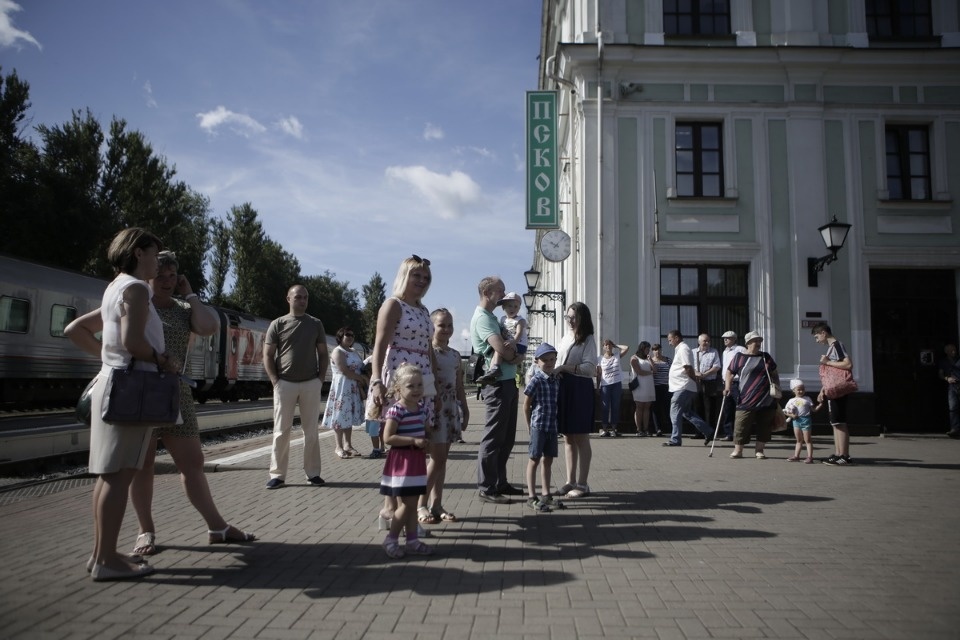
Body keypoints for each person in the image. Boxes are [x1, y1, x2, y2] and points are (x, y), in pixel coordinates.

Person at [67, 250, 256, 558]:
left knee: (193, 463)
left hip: (176, 394)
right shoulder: (136, 302)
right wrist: (111, 358)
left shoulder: (183, 310)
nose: (167, 282)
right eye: (161, 276)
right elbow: (75, 330)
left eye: (172, 276)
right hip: (141, 392)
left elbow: (209, 326)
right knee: (143, 466)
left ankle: (217, 527)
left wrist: (190, 294)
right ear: (149, 276)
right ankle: (146, 531)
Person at [68, 228, 175, 581]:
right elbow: (133, 342)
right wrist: (163, 360)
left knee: (107, 476)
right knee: (120, 475)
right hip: (132, 391)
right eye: (154, 254)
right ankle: (106, 562)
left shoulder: (115, 286)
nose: (158, 262)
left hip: (112, 384)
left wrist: (108, 358)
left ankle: (102, 553)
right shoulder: (136, 289)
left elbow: (89, 334)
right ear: (138, 253)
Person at [367, 255, 438, 531]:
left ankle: (394, 510)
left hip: (422, 381)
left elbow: (428, 350)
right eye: (416, 275)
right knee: (399, 444)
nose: (421, 281)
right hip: (399, 378)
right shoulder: (393, 305)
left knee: (417, 442)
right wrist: (376, 380)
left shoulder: (423, 310)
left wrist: (434, 387)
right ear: (404, 276)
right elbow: (379, 345)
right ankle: (395, 510)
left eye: (426, 278)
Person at [263, 285, 329, 489]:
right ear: (288, 299)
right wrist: (275, 381)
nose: (302, 300)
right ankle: (278, 475)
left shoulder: (315, 324)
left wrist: (319, 379)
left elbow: (323, 353)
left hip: (310, 383)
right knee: (281, 431)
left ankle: (313, 473)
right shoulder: (278, 324)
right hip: (284, 383)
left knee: (311, 431)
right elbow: (268, 355)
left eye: (305, 297)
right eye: (298, 297)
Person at [471, 276, 524, 503]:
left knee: (506, 438)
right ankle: (487, 487)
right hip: (498, 384)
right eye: (500, 290)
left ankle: (500, 482)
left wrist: (515, 357)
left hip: (508, 382)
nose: (504, 294)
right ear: (487, 293)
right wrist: (516, 357)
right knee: (493, 437)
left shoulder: (492, 317)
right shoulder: (483, 318)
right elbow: (500, 348)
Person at [417, 308, 468, 524]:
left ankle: (436, 504)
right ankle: (420, 504)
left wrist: (465, 409)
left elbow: (459, 385)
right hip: (434, 409)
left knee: (442, 460)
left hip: (449, 409)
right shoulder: (426, 352)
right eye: (441, 325)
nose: (446, 329)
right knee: (436, 459)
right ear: (432, 327)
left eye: (449, 325)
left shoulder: (455, 355)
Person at [379, 363, 433, 558]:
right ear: (398, 388)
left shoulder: (422, 409)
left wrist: (427, 439)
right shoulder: (396, 410)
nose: (416, 389)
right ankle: (391, 539)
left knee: (411, 504)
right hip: (402, 461)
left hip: (416, 461)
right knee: (407, 505)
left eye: (419, 385)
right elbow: (388, 438)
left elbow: (426, 430)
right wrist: (413, 441)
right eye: (410, 386)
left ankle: (412, 541)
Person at [556, 302, 598, 498]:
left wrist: (565, 368)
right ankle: (570, 481)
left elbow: (590, 368)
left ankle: (583, 483)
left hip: (580, 388)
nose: (570, 321)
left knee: (581, 437)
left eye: (574, 317)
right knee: (568, 437)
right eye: (568, 317)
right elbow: (558, 361)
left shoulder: (588, 339)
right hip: (565, 388)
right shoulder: (566, 337)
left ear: (583, 318)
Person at [725, 331, 780, 459]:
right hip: (746, 397)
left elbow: (774, 373)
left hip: (766, 398)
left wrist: (778, 388)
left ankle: (759, 450)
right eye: (756, 341)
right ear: (748, 343)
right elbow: (729, 372)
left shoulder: (765, 357)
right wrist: (727, 387)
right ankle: (738, 450)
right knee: (741, 424)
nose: (758, 343)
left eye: (759, 341)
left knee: (764, 425)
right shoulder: (739, 357)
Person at [523, 342, 560, 512]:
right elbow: (526, 405)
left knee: (548, 460)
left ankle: (546, 494)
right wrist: (529, 425)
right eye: (545, 360)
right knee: (534, 459)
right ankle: (532, 496)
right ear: (537, 361)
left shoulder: (556, 380)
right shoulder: (536, 380)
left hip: (552, 426)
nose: (549, 363)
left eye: (552, 359)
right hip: (538, 425)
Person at [321, 326, 367, 459]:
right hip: (342, 388)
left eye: (352, 335)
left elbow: (361, 366)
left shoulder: (354, 351)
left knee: (348, 416)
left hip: (353, 388)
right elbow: (344, 370)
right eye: (347, 334)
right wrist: (361, 378)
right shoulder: (338, 351)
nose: (350, 337)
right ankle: (338, 447)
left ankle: (348, 445)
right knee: (340, 415)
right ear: (340, 336)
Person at [812, 323, 854, 465]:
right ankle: (838, 453)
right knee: (835, 422)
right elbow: (830, 374)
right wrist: (823, 390)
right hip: (833, 390)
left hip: (839, 390)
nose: (817, 340)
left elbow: (848, 364)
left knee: (840, 422)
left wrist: (828, 362)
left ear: (823, 333)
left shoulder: (837, 345)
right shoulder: (832, 347)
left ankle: (844, 456)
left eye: (817, 336)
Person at [662, 330, 713, 447]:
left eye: (670, 340)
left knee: (674, 411)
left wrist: (695, 381)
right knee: (686, 412)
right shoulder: (680, 349)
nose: (669, 343)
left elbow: (688, 368)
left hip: (683, 386)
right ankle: (708, 431)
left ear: (676, 338)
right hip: (682, 386)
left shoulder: (683, 348)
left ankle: (675, 439)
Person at [476, 291, 527, 386]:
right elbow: (503, 331)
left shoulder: (520, 320)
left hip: (519, 344)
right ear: (503, 307)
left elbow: (519, 333)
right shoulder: (503, 319)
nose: (513, 309)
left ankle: (495, 368)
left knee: (499, 349)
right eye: (510, 306)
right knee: (498, 349)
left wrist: (513, 342)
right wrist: (503, 334)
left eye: (516, 307)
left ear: (519, 308)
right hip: (510, 342)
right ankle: (493, 370)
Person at [597, 340, 629, 437]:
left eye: (609, 344)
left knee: (615, 406)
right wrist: (597, 387)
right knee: (605, 407)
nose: (608, 346)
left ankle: (614, 429)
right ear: (603, 347)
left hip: (616, 384)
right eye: (606, 345)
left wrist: (615, 345)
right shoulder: (600, 358)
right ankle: (604, 429)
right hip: (605, 385)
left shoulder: (616, 356)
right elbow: (599, 374)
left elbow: (626, 348)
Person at [784, 379, 819, 463]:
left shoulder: (807, 399)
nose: (801, 391)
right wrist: (792, 415)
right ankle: (796, 456)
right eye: (799, 389)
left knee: (807, 439)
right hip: (796, 421)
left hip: (806, 420)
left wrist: (820, 404)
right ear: (794, 390)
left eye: (803, 389)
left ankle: (810, 457)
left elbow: (813, 409)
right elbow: (786, 411)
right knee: (799, 440)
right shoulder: (791, 401)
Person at [694, 333, 722, 438]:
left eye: (708, 341)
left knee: (710, 408)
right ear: (699, 342)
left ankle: (710, 432)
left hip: (710, 382)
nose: (707, 343)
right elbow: (688, 366)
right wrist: (697, 373)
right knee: (697, 407)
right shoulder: (693, 352)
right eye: (704, 341)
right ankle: (699, 432)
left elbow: (717, 366)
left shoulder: (714, 352)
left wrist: (705, 374)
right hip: (696, 382)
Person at [719, 331, 746, 441]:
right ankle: (729, 433)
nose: (725, 340)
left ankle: (741, 432)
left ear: (734, 339)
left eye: (728, 338)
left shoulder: (740, 349)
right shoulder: (725, 351)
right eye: (724, 338)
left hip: (736, 382)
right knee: (727, 408)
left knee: (739, 407)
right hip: (726, 383)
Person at [629, 341, 656, 436]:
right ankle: (639, 429)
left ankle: (646, 429)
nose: (648, 351)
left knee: (647, 407)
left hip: (649, 385)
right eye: (647, 349)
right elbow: (639, 371)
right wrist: (650, 373)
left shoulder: (648, 358)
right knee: (639, 407)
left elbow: (655, 370)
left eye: (649, 349)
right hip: (639, 385)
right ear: (642, 349)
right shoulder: (634, 358)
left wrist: (651, 360)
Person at [649, 343, 672, 436]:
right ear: (652, 351)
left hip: (666, 387)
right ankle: (658, 429)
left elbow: (672, 372)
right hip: (655, 387)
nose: (657, 352)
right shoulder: (651, 361)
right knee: (655, 408)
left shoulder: (668, 360)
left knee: (667, 408)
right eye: (655, 350)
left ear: (661, 350)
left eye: (658, 349)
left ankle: (671, 429)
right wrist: (650, 361)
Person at [939, 343, 960, 439]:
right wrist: (947, 378)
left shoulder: (958, 359)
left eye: (954, 350)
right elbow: (940, 374)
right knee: (953, 407)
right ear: (946, 352)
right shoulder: (943, 362)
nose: (954, 352)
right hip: (952, 385)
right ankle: (955, 429)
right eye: (951, 350)